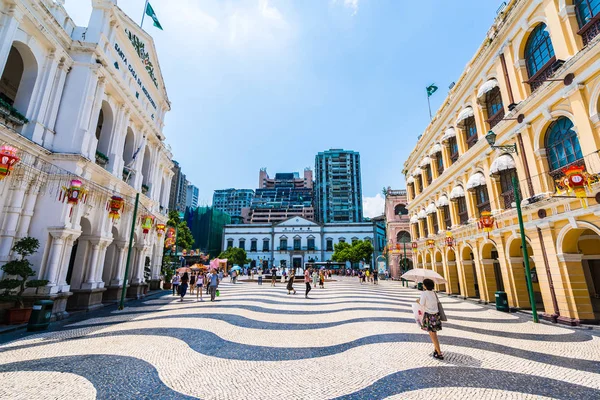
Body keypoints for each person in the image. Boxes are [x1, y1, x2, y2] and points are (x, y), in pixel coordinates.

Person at [416, 278, 444, 360]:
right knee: (434, 334)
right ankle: (436, 350)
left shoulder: (424, 293)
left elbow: (421, 304)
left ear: (425, 286)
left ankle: (439, 353)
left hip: (429, 316)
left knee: (433, 335)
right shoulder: (434, 293)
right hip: (436, 315)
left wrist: (418, 301)